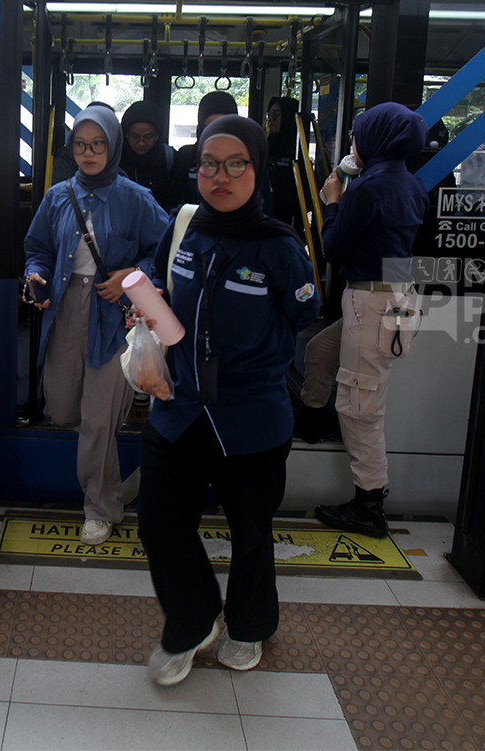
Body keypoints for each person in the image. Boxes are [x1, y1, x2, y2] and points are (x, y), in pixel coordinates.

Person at [137, 115, 319, 687]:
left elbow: (305, 312)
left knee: (251, 529)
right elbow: (155, 270)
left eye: (235, 163)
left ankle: (248, 624)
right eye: (208, 164)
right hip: (179, 404)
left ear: (257, 169)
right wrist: (142, 292)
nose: (220, 176)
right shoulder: (184, 223)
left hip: (251, 416)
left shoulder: (280, 247)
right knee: (160, 521)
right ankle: (192, 622)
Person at [24, 105, 168, 545]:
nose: (89, 153)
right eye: (81, 145)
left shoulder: (135, 198)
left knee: (99, 422)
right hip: (66, 307)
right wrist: (34, 273)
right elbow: (37, 248)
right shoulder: (56, 196)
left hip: (115, 315)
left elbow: (165, 256)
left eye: (98, 144)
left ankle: (100, 508)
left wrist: (130, 276)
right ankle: (107, 488)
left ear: (112, 146)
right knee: (63, 407)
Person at [297, 102, 429, 538]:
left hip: (369, 303)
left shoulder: (369, 188)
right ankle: (313, 419)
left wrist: (333, 203)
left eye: (356, 135)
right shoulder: (410, 184)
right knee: (319, 351)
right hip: (392, 297)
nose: (352, 144)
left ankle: (369, 504)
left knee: (361, 408)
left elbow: (333, 249)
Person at [118, 101, 191, 211]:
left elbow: (175, 199)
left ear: (157, 135)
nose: (141, 143)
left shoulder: (169, 159)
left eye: (148, 137)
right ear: (126, 134)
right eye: (135, 136)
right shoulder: (116, 158)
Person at [176, 90, 240, 205]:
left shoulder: (246, 158)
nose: (216, 131)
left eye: (223, 125)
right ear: (201, 127)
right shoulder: (187, 156)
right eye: (210, 126)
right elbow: (174, 201)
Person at [265, 96, 303, 231]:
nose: (270, 119)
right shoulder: (265, 147)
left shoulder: (299, 153)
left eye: (276, 115)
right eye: (269, 115)